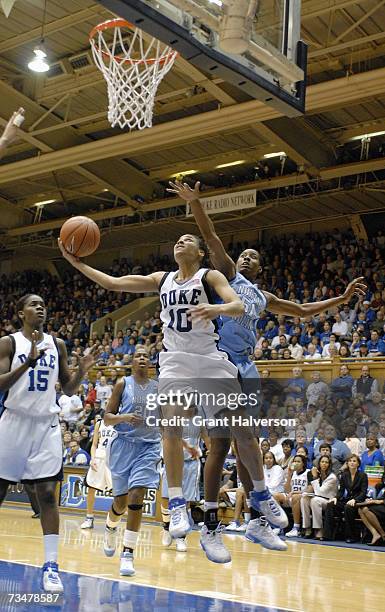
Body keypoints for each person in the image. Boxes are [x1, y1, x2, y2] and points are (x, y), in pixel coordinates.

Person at [166, 179, 366, 555]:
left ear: (261, 266)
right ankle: (211, 521)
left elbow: (304, 311)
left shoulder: (263, 296)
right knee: (221, 447)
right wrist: (196, 203)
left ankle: (256, 519)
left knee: (248, 447)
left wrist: (340, 298)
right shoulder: (226, 274)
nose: (245, 258)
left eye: (253, 256)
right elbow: (210, 237)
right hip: (218, 364)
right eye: (243, 254)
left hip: (247, 368)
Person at [0, 294, 96, 593]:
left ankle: (51, 566)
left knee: (47, 494)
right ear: (21, 313)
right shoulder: (9, 343)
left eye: (43, 304)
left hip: (47, 425)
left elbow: (67, 387)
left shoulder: (58, 345)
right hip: (14, 422)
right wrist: (26, 364)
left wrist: (83, 370)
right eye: (33, 304)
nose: (40, 307)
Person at [102, 348, 160, 576]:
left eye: (146, 355)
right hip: (123, 445)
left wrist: (186, 444)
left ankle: (128, 552)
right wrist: (124, 418)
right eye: (138, 355)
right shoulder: (122, 384)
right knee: (121, 502)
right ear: (132, 361)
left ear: (150, 362)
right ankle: (110, 525)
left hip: (148, 447)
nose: (142, 358)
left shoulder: (158, 388)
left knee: (137, 495)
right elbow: (107, 418)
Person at [161, 420, 206, 551]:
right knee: (165, 497)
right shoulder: (172, 412)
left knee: (185, 501)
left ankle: (181, 537)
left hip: (190, 463)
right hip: (172, 458)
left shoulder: (199, 414)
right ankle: (166, 526)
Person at [80, 417, 116, 529]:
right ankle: (89, 518)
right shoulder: (99, 423)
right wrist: (92, 459)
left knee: (118, 492)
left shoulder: (121, 422)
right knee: (91, 488)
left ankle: (112, 521)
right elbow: (94, 444)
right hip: (99, 458)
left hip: (114, 459)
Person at [323, 455, 368, 542]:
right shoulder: (344, 475)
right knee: (330, 505)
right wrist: (336, 498)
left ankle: (350, 536)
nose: (352, 462)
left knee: (348, 507)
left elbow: (363, 492)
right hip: (347, 499)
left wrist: (355, 500)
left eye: (354, 461)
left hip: (358, 501)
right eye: (350, 461)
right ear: (347, 463)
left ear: (358, 464)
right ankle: (328, 535)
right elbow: (341, 490)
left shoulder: (363, 475)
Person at [301, 456, 338, 539]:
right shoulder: (318, 473)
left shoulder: (332, 477)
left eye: (326, 462)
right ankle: (307, 527)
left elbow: (320, 492)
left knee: (315, 500)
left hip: (329, 501)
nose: (324, 464)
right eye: (322, 462)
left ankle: (318, 529)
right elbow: (312, 490)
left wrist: (314, 477)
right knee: (304, 498)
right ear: (319, 463)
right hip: (318, 498)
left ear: (329, 465)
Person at [274, 454, 309, 538]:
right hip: (292, 496)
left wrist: (294, 493)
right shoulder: (292, 473)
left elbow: (310, 489)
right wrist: (289, 475)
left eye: (298, 461)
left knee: (295, 497)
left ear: (303, 463)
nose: (296, 463)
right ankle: (278, 525)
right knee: (275, 496)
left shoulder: (308, 472)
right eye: (294, 461)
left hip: (303, 497)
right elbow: (287, 490)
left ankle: (296, 528)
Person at [357, 474, 385, 545]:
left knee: (366, 509)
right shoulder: (380, 485)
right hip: (382, 504)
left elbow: (382, 500)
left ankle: (382, 534)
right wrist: (373, 500)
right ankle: (375, 534)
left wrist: (380, 501)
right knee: (361, 509)